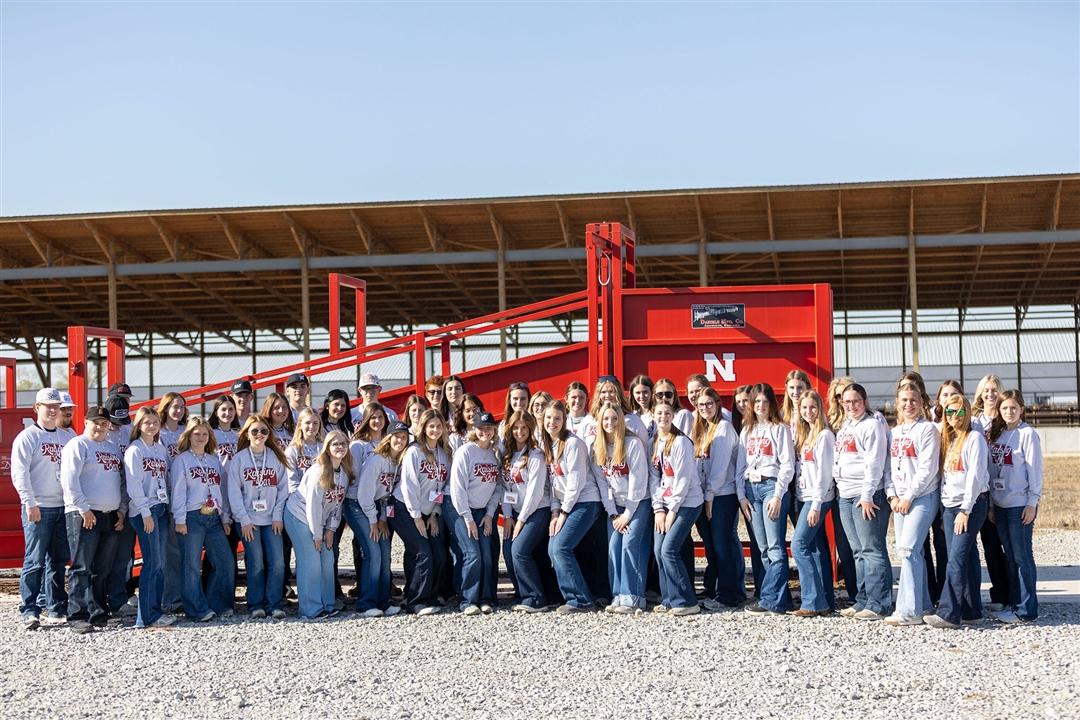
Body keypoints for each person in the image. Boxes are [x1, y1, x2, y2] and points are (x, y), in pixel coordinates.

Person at [926, 394, 990, 629]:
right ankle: (972, 611)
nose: (954, 417)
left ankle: (947, 613)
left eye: (959, 411)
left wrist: (965, 510)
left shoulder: (975, 439)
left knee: (956, 559)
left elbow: (975, 477)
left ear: (967, 412)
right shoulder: (949, 439)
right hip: (950, 505)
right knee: (967, 556)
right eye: (949, 412)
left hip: (969, 506)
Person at [60, 405, 126, 634]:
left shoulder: (113, 448)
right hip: (84, 515)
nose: (99, 426)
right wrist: (83, 509)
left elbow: (119, 481)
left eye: (104, 422)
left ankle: (98, 613)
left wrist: (121, 510)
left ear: (109, 425)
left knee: (102, 568)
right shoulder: (78, 445)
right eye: (95, 422)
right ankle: (77, 615)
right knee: (81, 567)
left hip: (109, 514)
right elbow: (69, 481)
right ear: (86, 422)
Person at [12, 388, 73, 630]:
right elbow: (19, 474)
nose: (52, 410)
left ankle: (56, 606)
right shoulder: (27, 437)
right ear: (37, 408)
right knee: (35, 560)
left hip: (62, 507)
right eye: (47, 405)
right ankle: (29, 609)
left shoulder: (67, 437)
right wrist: (30, 502)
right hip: (39, 507)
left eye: (56, 405)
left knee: (58, 561)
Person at [834, 382, 893, 621]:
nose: (851, 406)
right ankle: (863, 600)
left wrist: (867, 495)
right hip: (845, 494)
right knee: (858, 551)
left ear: (864, 401)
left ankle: (879, 603)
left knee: (872, 548)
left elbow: (874, 462)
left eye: (856, 401)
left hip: (865, 494)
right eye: (847, 402)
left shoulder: (872, 425)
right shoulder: (846, 425)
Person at [884, 381, 941, 626]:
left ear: (922, 402)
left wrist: (909, 496)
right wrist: (892, 496)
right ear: (897, 403)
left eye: (914, 400)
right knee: (908, 552)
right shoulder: (894, 432)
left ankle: (909, 611)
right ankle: (924, 603)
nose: (909, 404)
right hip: (899, 500)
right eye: (904, 400)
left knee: (908, 549)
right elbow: (887, 468)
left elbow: (927, 469)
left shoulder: (927, 430)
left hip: (922, 497)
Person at [736, 383, 795, 615]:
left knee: (775, 547)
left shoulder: (780, 429)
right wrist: (741, 496)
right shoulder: (746, 430)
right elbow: (739, 467)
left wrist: (779, 495)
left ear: (771, 404)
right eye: (756, 401)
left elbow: (787, 465)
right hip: (751, 490)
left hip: (771, 488)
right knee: (762, 549)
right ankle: (782, 599)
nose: (760, 406)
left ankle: (771, 600)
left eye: (764, 401)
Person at [170, 417, 234, 622]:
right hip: (191, 517)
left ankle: (218, 604)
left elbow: (221, 489)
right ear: (188, 436)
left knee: (225, 561)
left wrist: (225, 517)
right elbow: (178, 491)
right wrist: (179, 519)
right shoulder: (182, 460)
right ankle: (196, 609)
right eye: (196, 433)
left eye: (204, 434)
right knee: (191, 565)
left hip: (214, 517)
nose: (200, 437)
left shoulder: (214, 460)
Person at [987, 390, 1043, 623]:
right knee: (1010, 557)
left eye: (1013, 408)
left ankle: (1026, 610)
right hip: (1000, 504)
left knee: (1022, 557)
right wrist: (991, 504)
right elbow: (991, 472)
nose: (1009, 412)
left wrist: (1032, 502)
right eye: (1004, 408)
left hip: (1019, 505)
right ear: (999, 410)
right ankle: (1013, 603)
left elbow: (1035, 471)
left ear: (1021, 409)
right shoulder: (997, 435)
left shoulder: (1028, 434)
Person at [227, 414, 290, 619]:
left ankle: (274, 603)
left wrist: (278, 516)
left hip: (272, 519)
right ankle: (255, 604)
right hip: (248, 521)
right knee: (256, 562)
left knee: (278, 562)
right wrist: (243, 520)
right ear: (247, 433)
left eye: (264, 431)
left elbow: (283, 489)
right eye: (254, 431)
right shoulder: (239, 459)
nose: (259, 435)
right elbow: (234, 492)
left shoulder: (275, 457)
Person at [388, 408, 450, 615]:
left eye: (438, 426)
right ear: (423, 428)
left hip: (428, 511)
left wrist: (434, 514)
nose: (435, 430)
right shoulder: (414, 451)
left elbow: (443, 487)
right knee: (422, 553)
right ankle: (415, 602)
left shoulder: (444, 453)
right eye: (431, 426)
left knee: (439, 554)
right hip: (404, 508)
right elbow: (409, 486)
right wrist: (417, 517)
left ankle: (430, 594)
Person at [545, 399, 604, 613]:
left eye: (557, 418)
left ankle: (581, 600)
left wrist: (563, 513)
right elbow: (553, 484)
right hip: (564, 505)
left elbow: (575, 483)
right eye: (549, 418)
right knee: (553, 549)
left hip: (585, 502)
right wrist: (554, 511)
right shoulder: (548, 444)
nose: (552, 422)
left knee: (561, 548)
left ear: (565, 420)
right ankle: (574, 595)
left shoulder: (573, 444)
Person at [284, 431, 350, 619]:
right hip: (299, 516)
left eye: (343, 444)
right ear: (327, 448)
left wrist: (330, 529)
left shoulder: (343, 474)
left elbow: (337, 504)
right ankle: (310, 609)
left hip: (321, 522)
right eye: (335, 444)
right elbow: (313, 505)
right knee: (311, 561)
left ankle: (327, 604)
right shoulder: (318, 471)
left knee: (327, 560)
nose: (340, 447)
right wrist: (317, 535)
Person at [593, 402, 650, 613]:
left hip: (638, 502)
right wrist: (613, 513)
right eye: (606, 419)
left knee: (630, 545)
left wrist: (627, 514)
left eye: (614, 419)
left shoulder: (632, 444)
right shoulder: (597, 448)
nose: (610, 423)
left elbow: (638, 480)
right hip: (616, 507)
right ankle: (618, 594)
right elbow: (603, 484)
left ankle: (634, 597)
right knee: (614, 546)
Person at [350, 421, 410, 617]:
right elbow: (364, 494)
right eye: (396, 436)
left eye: (404, 437)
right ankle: (366, 603)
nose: (400, 441)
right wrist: (373, 520)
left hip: (378, 508)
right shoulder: (377, 460)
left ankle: (383, 601)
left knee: (385, 554)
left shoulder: (399, 462)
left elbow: (386, 496)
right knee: (373, 552)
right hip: (359, 505)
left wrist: (382, 518)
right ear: (389, 438)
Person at [123, 407, 175, 628]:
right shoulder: (134, 450)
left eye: (155, 422)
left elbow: (166, 478)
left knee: (160, 564)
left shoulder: (160, 449)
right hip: (145, 510)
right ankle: (146, 616)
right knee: (152, 563)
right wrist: (145, 513)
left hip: (161, 508)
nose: (152, 426)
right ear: (139, 425)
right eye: (147, 423)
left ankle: (156, 609)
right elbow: (134, 485)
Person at [649, 401, 702, 616]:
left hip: (687, 502)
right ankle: (669, 598)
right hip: (665, 503)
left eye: (667, 413)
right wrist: (658, 509)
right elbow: (654, 478)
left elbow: (683, 480)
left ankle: (687, 601)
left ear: (673, 416)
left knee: (668, 550)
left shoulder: (681, 442)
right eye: (659, 413)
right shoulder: (654, 442)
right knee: (658, 550)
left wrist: (671, 511)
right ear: (653, 416)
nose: (663, 416)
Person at [449, 411, 503, 615]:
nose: (485, 432)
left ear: (494, 430)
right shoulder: (465, 451)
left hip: (483, 510)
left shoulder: (494, 454)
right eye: (481, 428)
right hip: (461, 509)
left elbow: (497, 487)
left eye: (489, 428)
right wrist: (467, 518)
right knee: (473, 554)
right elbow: (457, 488)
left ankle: (487, 598)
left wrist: (490, 515)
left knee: (488, 554)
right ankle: (468, 600)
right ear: (474, 429)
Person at [500, 410, 553, 612]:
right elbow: (505, 488)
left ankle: (536, 598)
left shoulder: (536, 454)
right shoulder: (507, 454)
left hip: (537, 510)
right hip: (514, 513)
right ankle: (523, 594)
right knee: (508, 551)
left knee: (519, 551)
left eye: (524, 428)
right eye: (516, 427)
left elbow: (535, 492)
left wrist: (520, 520)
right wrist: (507, 517)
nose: (519, 431)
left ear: (530, 430)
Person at [790, 390, 836, 617]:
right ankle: (826, 600)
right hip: (804, 496)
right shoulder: (805, 434)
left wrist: (816, 505)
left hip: (817, 498)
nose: (808, 412)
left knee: (799, 545)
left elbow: (824, 474)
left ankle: (811, 601)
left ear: (820, 409)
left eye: (813, 407)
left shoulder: (824, 436)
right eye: (804, 408)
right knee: (816, 549)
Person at [695, 387, 742, 609]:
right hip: (707, 495)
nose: (705, 408)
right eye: (701, 405)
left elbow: (720, 468)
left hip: (721, 496)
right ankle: (716, 590)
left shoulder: (723, 428)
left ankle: (729, 595)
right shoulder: (702, 428)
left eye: (709, 404)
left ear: (717, 404)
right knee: (712, 546)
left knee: (723, 546)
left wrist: (709, 497)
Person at [972, 373, 1010, 610]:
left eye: (994, 390)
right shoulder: (975, 421)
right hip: (977, 491)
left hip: (999, 492)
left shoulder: (1005, 421)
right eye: (986, 390)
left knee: (995, 545)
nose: (990, 394)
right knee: (977, 546)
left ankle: (1002, 594)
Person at [209, 394, 241, 467]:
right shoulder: (210, 434)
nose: (227, 413)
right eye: (223, 409)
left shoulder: (239, 434)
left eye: (231, 409)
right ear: (216, 413)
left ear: (235, 412)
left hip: (236, 477)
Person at [156, 392, 188, 459]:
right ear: (165, 408)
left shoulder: (187, 431)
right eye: (175, 407)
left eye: (182, 407)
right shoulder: (158, 433)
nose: (179, 410)